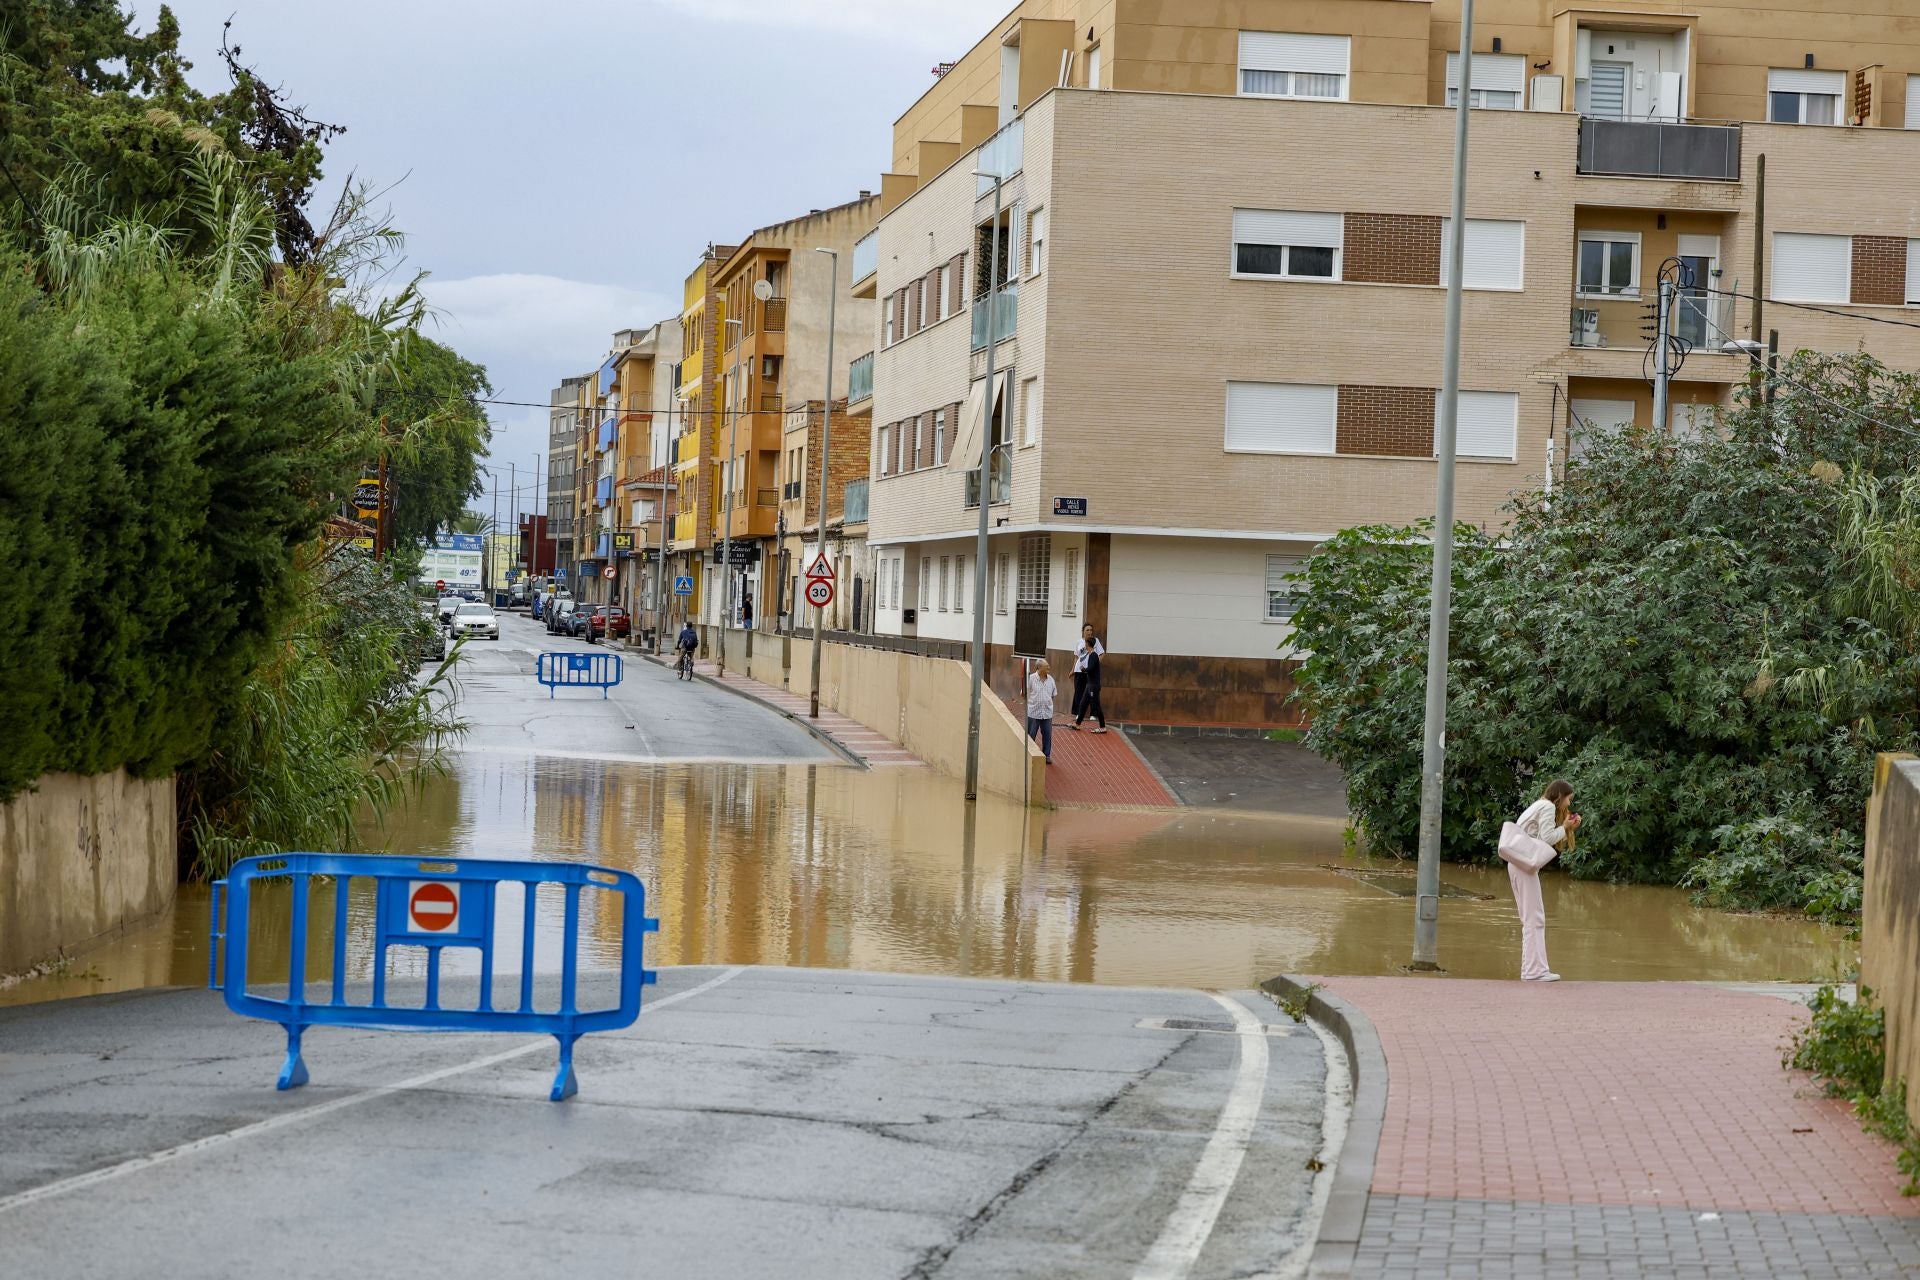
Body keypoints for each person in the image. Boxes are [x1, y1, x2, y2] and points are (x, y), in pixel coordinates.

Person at [1497, 779, 1581, 983]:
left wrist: (1564, 826)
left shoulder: (1539, 804)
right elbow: (1546, 837)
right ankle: (1534, 971)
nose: (1569, 804)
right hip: (1523, 864)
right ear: (1560, 796)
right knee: (1534, 918)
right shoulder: (1547, 806)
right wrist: (1565, 827)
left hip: (1520, 863)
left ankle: (1533, 970)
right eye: (1569, 799)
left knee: (1532, 918)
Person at [1071, 624, 1108, 733]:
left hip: (1093, 685)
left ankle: (1102, 727)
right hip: (1089, 685)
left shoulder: (1093, 656)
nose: (1085, 645)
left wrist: (1083, 669)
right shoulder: (1091, 655)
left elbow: (1091, 668)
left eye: (1086, 644)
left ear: (1088, 645)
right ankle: (1077, 724)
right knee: (1083, 704)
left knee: (1096, 705)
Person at [1025, 660, 1058, 763]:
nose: (1049, 668)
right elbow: (1025, 693)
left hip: (1047, 713)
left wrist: (1048, 703)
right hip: (1033, 713)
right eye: (1046, 667)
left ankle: (1046, 755)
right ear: (1039, 667)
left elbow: (1053, 694)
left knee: (1047, 735)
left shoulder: (1051, 679)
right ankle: (1028, 754)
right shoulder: (1031, 679)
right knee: (1031, 735)